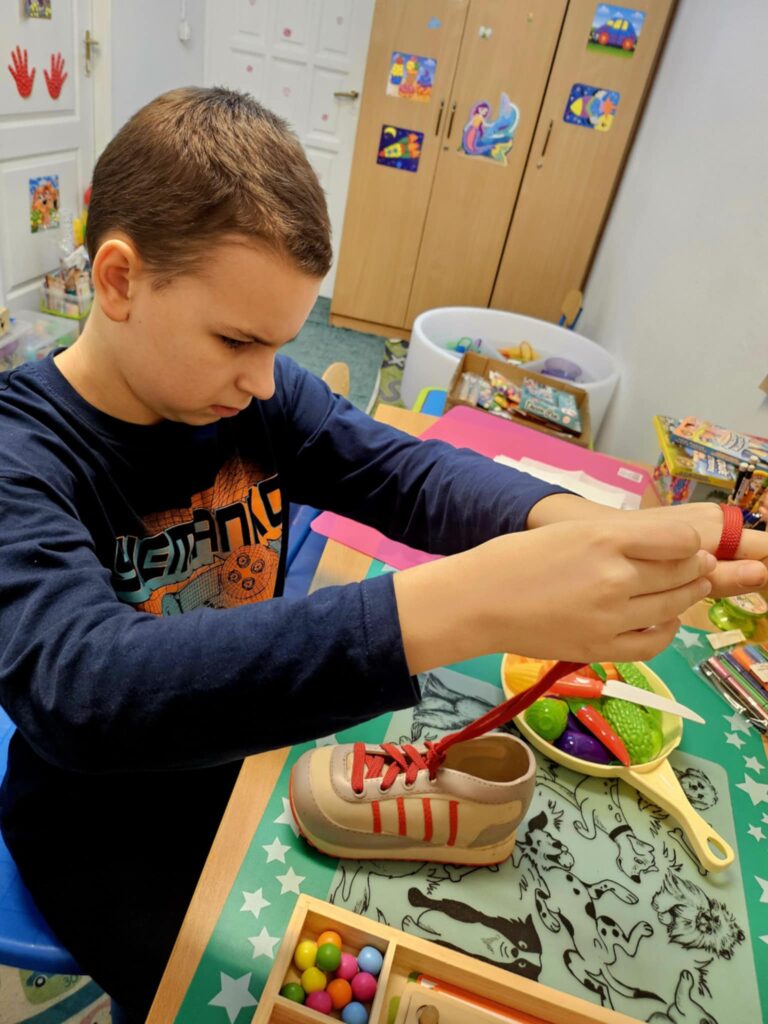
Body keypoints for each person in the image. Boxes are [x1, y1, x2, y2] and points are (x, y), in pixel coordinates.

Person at [0, 87, 766, 1022]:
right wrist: (466, 604)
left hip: (248, 741)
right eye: (236, 340)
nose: (263, 380)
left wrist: (576, 526)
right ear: (119, 281)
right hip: (102, 819)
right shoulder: (18, 456)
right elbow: (86, 689)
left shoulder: (256, 394)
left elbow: (406, 473)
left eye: (281, 344)